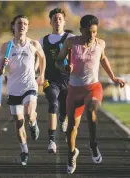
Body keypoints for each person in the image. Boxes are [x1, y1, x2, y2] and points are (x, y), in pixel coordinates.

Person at [55, 14, 125, 174]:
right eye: (88, 32)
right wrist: (64, 68)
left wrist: (113, 77)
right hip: (74, 90)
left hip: (92, 87)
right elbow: (58, 61)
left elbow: (103, 58)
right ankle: (72, 153)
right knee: (71, 128)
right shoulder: (71, 43)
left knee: (92, 108)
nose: (92, 36)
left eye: (94, 32)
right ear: (81, 31)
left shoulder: (100, 43)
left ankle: (93, 145)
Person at [0, 15, 46, 166]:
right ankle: (24, 150)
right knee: (19, 123)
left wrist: (42, 75)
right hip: (13, 89)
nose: (22, 26)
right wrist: (2, 66)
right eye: (19, 23)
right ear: (13, 26)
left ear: (28, 27)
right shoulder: (6, 46)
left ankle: (33, 123)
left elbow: (43, 57)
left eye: (25, 23)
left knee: (29, 113)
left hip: (29, 86)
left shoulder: (33, 44)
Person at [39, 8, 74, 153]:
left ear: (64, 21)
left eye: (60, 19)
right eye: (55, 19)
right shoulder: (43, 40)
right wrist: (38, 74)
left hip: (68, 80)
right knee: (53, 101)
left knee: (65, 108)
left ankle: (62, 118)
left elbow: (79, 55)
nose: (57, 21)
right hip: (50, 79)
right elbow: (38, 59)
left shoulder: (71, 37)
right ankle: (52, 141)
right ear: (50, 22)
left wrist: (73, 65)